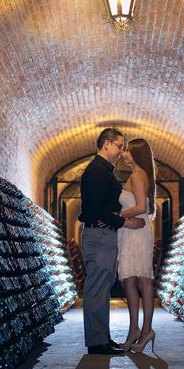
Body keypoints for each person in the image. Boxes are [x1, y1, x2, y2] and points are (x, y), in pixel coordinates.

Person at [78, 128, 145, 355]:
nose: (120, 151)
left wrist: (115, 219)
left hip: (103, 235)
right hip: (98, 236)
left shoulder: (104, 170)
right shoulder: (97, 170)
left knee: (102, 287)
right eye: (118, 145)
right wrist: (125, 223)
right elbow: (97, 209)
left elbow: (107, 207)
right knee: (97, 287)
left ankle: (102, 337)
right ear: (106, 144)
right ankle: (97, 343)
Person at [111, 138, 157, 353]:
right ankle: (133, 331)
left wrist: (118, 215)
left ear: (137, 154)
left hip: (138, 232)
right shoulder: (134, 174)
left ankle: (147, 330)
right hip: (128, 233)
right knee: (129, 280)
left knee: (143, 280)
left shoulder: (139, 175)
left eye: (128, 151)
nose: (124, 153)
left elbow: (141, 207)